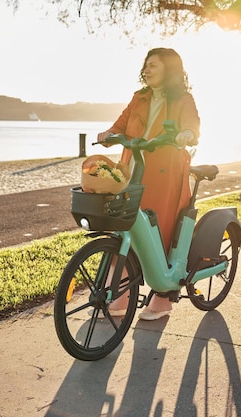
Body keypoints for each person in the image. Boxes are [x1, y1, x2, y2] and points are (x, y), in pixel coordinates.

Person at [96, 47, 201, 321]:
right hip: (133, 170)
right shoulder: (139, 97)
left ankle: (162, 298)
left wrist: (186, 134)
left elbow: (192, 126)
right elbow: (119, 125)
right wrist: (109, 134)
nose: (147, 69)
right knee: (124, 228)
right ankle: (119, 293)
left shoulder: (183, 99)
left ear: (169, 69)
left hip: (164, 174)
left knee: (159, 230)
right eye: (146, 64)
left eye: (153, 64)